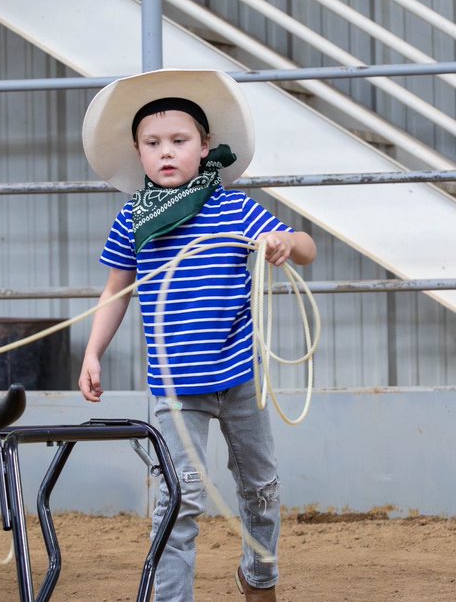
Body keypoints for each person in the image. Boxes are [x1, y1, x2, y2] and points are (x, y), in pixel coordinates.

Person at [76, 69, 316, 602]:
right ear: (138, 152)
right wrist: (93, 352)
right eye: (153, 143)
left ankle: (260, 579)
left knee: (261, 488)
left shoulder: (233, 208)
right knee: (178, 499)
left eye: (179, 141)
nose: (166, 152)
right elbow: (115, 292)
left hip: (240, 376)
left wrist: (285, 242)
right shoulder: (133, 219)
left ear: (204, 147)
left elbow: (306, 247)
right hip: (175, 385)